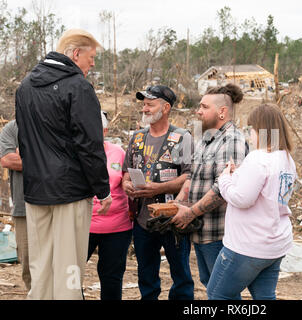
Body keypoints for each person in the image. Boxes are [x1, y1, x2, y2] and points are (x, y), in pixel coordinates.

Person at [15, 29, 112, 300]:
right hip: (70, 192)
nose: (92, 64)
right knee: (69, 269)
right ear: (75, 53)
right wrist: (102, 189)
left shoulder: (25, 87)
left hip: (36, 192)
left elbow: (24, 142)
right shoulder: (78, 86)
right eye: (91, 57)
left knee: (41, 267)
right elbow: (89, 146)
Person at [206, 104, 297, 300]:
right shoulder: (286, 159)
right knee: (265, 297)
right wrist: (240, 174)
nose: (250, 134)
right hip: (275, 244)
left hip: (248, 245)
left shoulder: (257, 158)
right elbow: (268, 192)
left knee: (218, 295)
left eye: (251, 129)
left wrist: (224, 179)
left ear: (262, 130)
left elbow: (241, 199)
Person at [171, 83, 249, 289]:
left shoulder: (231, 140)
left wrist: (190, 213)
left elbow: (223, 188)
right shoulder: (206, 141)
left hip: (219, 235)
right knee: (211, 286)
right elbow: (191, 178)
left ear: (222, 112)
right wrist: (176, 205)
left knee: (223, 291)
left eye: (204, 107)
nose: (198, 111)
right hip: (201, 232)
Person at [121, 85, 194, 300]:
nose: (144, 109)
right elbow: (126, 172)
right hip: (142, 221)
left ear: (166, 107)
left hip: (173, 219)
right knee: (146, 276)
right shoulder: (136, 138)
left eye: (150, 104)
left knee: (181, 277)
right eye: (143, 104)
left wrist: (160, 188)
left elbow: (189, 177)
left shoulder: (183, 138)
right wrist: (126, 184)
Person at [86, 111, 132, 300]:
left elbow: (125, 180)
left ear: (105, 130)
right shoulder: (75, 153)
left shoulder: (118, 152)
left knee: (111, 276)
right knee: (71, 272)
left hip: (117, 227)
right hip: (83, 226)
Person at [0, 120, 31, 292]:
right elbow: (7, 160)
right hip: (23, 206)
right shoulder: (12, 128)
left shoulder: (52, 121)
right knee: (27, 261)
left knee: (55, 260)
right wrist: (44, 159)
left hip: (55, 204)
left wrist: (25, 155)